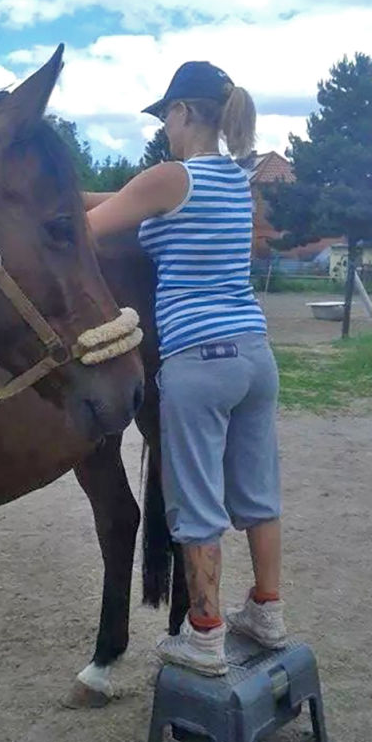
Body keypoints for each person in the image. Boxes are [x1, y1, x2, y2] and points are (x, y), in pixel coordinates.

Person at [85, 61, 286, 676]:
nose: (165, 129)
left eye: (167, 117)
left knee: (195, 505)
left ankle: (203, 636)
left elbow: (86, 228)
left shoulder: (171, 177)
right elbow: (124, 204)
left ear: (182, 114)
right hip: (255, 354)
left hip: (199, 361)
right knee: (257, 496)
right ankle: (269, 614)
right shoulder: (236, 180)